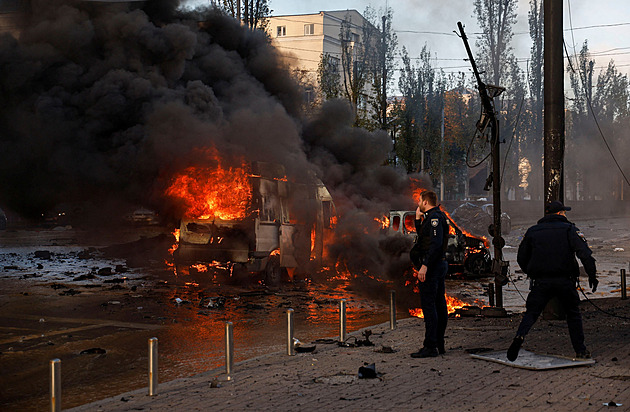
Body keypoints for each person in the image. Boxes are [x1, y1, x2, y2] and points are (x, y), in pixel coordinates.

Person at [507, 200, 598, 361]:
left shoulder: (533, 231)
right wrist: (592, 275)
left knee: (532, 313)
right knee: (573, 314)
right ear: (560, 213)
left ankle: (520, 336)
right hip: (565, 281)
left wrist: (532, 272)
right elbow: (584, 254)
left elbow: (521, 257)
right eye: (564, 212)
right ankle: (581, 350)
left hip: (541, 282)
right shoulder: (570, 230)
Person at [409, 190, 449, 358]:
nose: (418, 203)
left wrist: (424, 266)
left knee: (430, 306)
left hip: (432, 267)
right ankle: (439, 343)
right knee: (439, 304)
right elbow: (424, 238)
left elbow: (435, 244)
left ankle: (430, 346)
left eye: (419, 200)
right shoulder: (434, 216)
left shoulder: (434, 219)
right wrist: (418, 219)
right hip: (437, 265)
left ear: (425, 202)